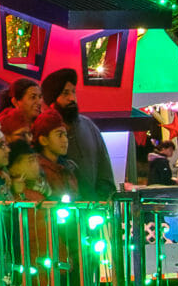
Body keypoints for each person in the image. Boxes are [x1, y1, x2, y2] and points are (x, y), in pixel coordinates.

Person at [38, 68, 118, 197]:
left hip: (92, 209)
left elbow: (105, 172)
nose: (72, 98)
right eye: (65, 93)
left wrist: (100, 201)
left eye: (73, 92)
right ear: (52, 100)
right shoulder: (40, 129)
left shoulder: (89, 127)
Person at [32, 115, 81, 197]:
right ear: (44, 140)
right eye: (59, 135)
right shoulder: (36, 170)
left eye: (66, 135)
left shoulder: (69, 167)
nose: (65, 140)